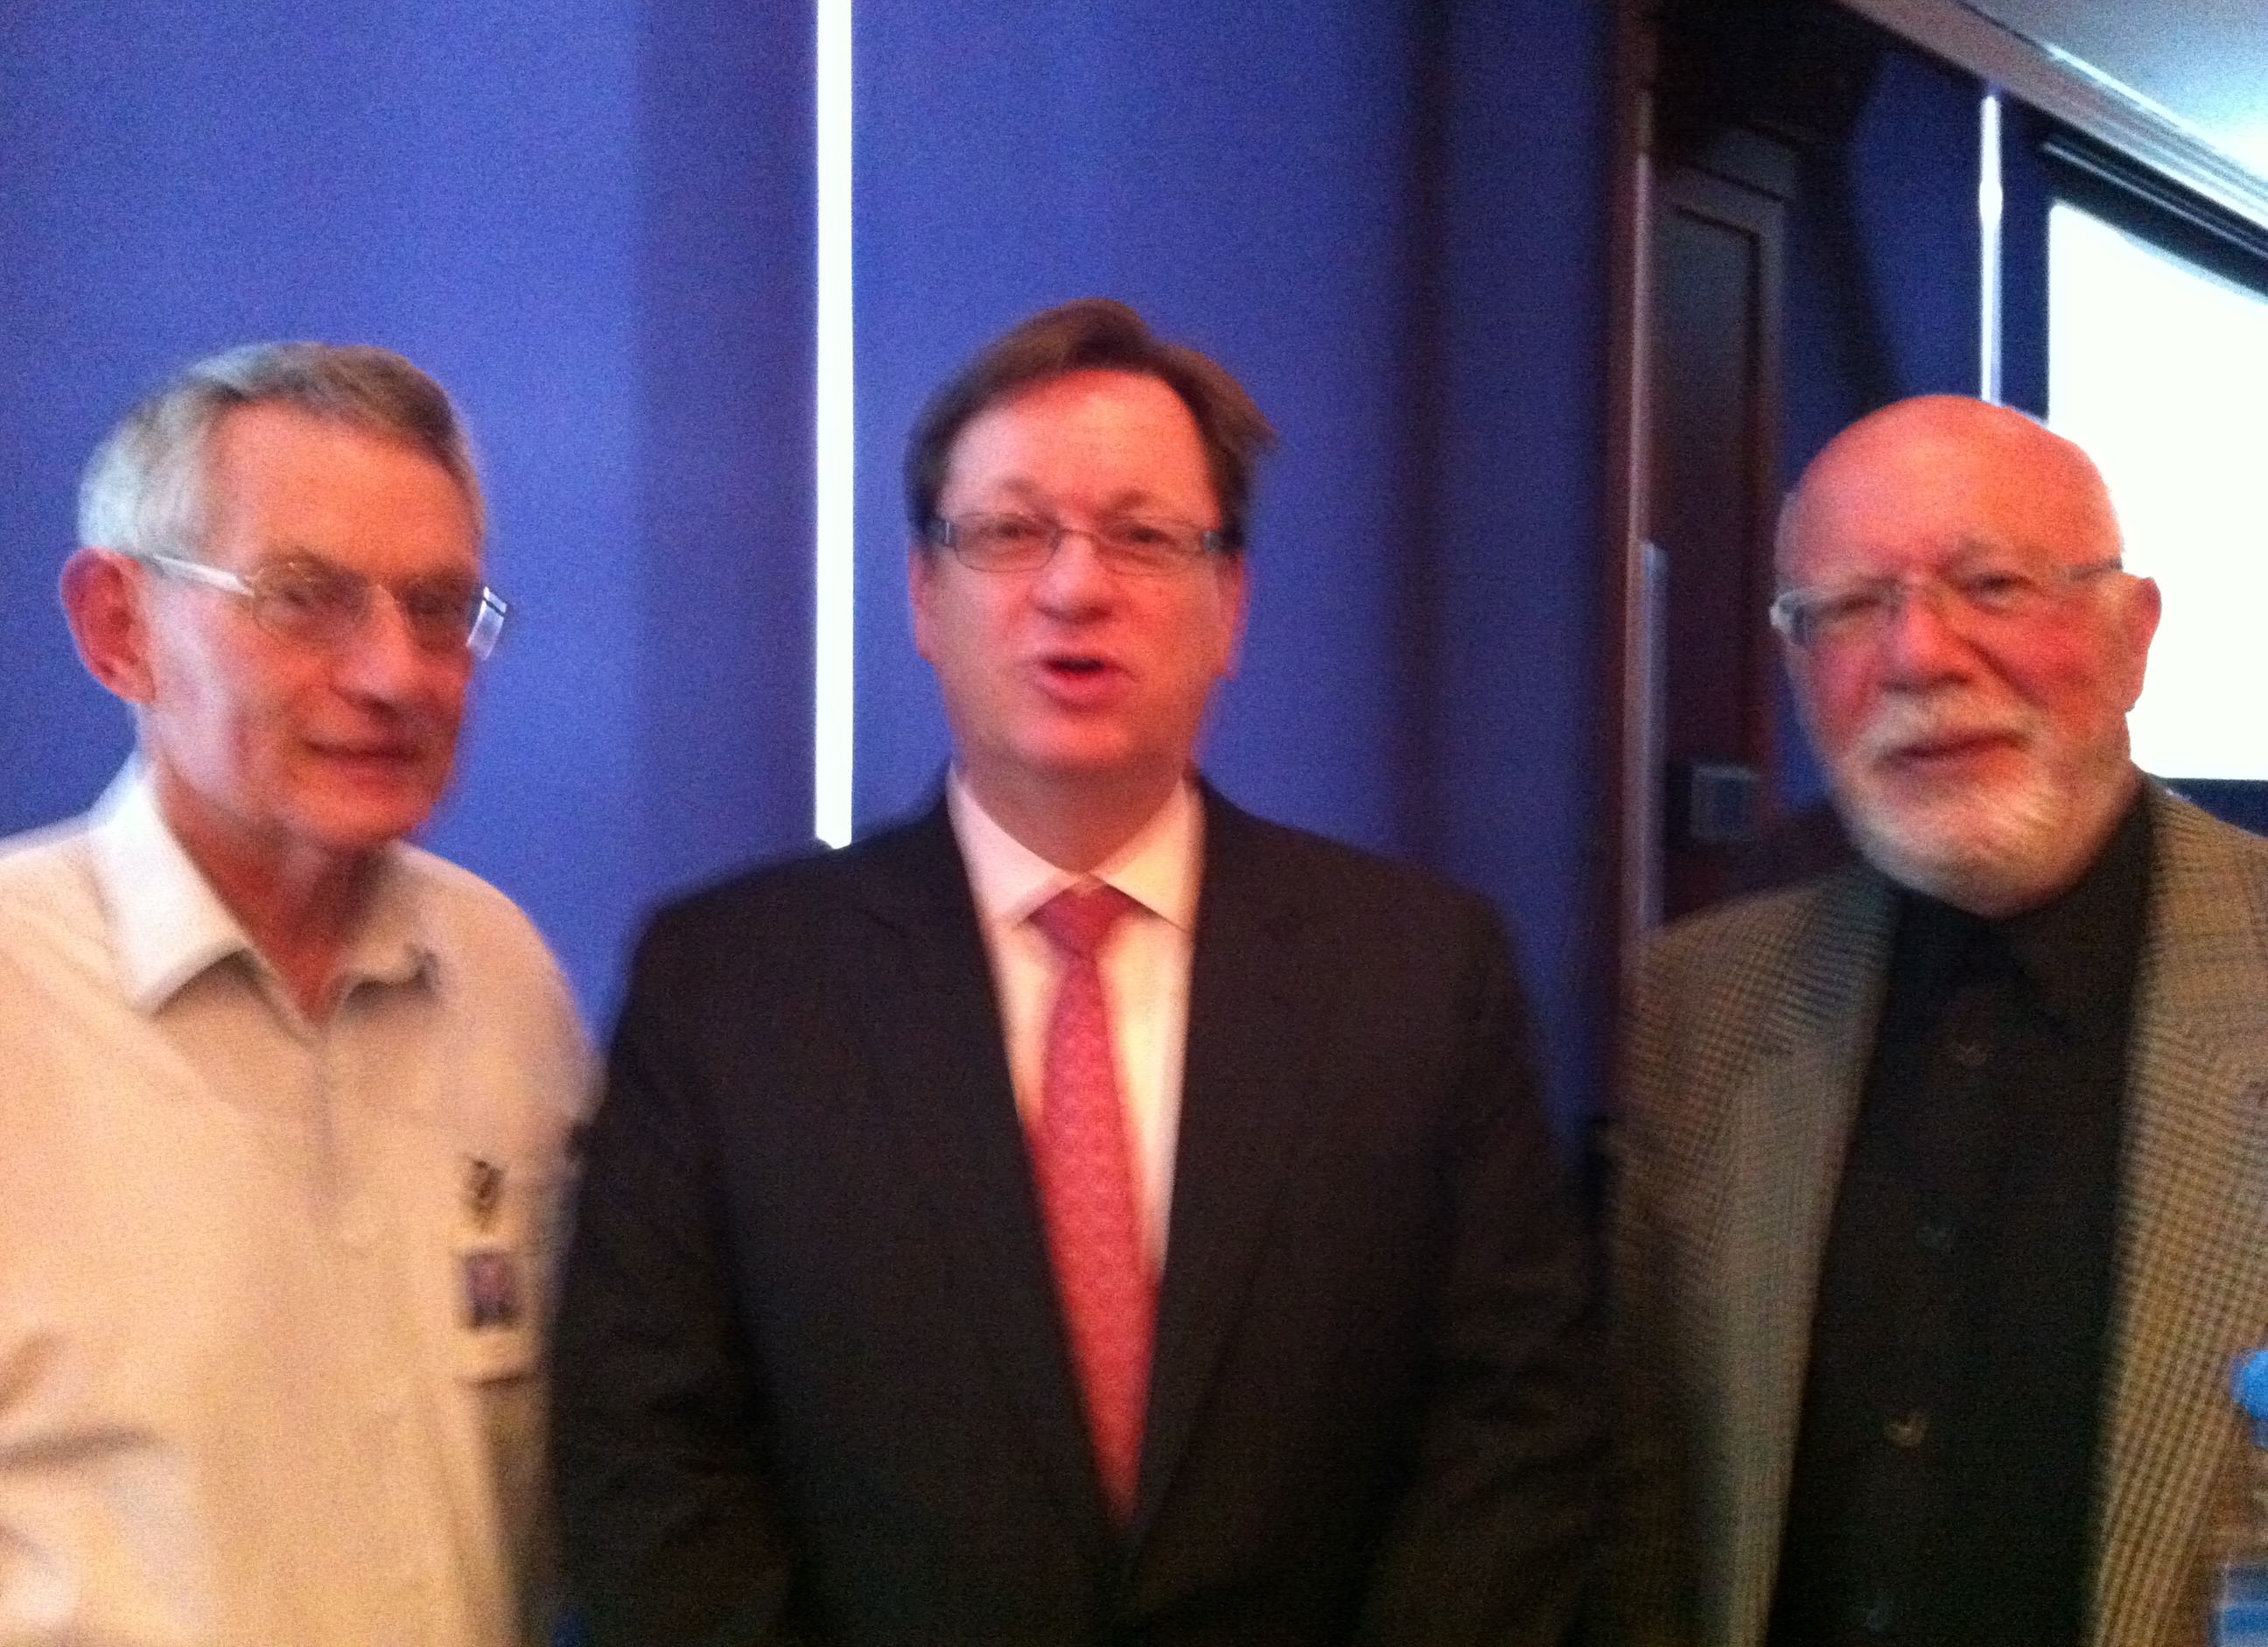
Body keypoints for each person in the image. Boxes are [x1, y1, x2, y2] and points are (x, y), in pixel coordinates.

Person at [553, 298, 1597, 1645]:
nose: (1073, 588)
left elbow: (1511, 1440)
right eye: (1008, 532)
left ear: (1231, 605)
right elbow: (651, 1463)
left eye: (1144, 537)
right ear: (924, 596)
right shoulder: (729, 988)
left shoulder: (1422, 978)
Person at [1601, 394, 2268, 1645]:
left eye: (1994, 585)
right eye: (1850, 607)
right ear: (1798, 667)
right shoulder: (1701, 1008)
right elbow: (1647, 1511)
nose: (1918, 655)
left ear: (2133, 636)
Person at [0, 343, 593, 1645]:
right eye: (303, 598)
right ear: (119, 629)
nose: (393, 674)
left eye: (438, 608)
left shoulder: (506, 982)